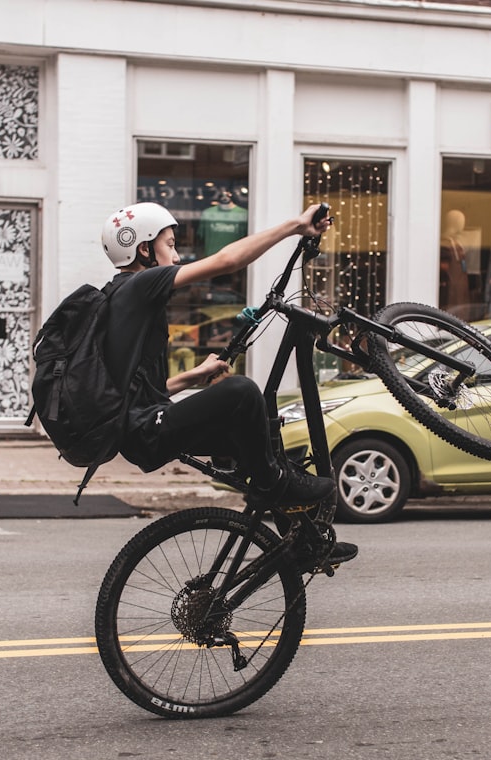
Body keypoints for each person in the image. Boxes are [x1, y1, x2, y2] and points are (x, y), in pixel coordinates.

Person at [99, 201, 357, 565]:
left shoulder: (121, 296)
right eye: (170, 244)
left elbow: (138, 392)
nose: (175, 255)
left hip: (141, 426)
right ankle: (270, 486)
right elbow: (226, 261)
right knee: (243, 392)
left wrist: (191, 377)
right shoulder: (141, 283)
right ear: (144, 249)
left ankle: (303, 540)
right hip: (145, 431)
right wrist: (293, 227)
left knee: (262, 432)